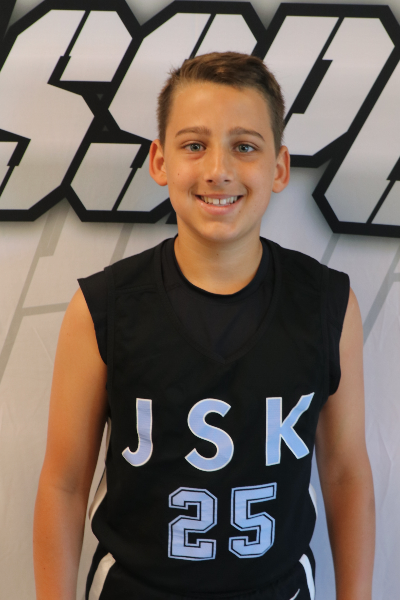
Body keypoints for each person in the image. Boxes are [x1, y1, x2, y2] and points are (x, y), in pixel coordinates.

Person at [33, 52, 375, 600]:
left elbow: (345, 473)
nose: (219, 169)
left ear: (279, 167)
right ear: (160, 162)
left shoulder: (328, 305)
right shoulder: (103, 307)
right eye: (194, 145)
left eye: (245, 147)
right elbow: (64, 484)